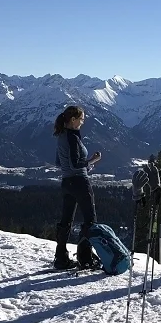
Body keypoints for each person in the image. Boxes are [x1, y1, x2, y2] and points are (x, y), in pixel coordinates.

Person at [53, 105, 102, 269]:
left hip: (66, 182)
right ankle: (85, 257)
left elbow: (59, 162)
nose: (83, 121)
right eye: (81, 119)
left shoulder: (61, 135)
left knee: (66, 220)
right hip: (80, 182)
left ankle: (60, 257)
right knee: (90, 219)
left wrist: (84, 166)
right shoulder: (73, 137)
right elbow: (75, 164)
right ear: (73, 120)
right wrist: (91, 161)